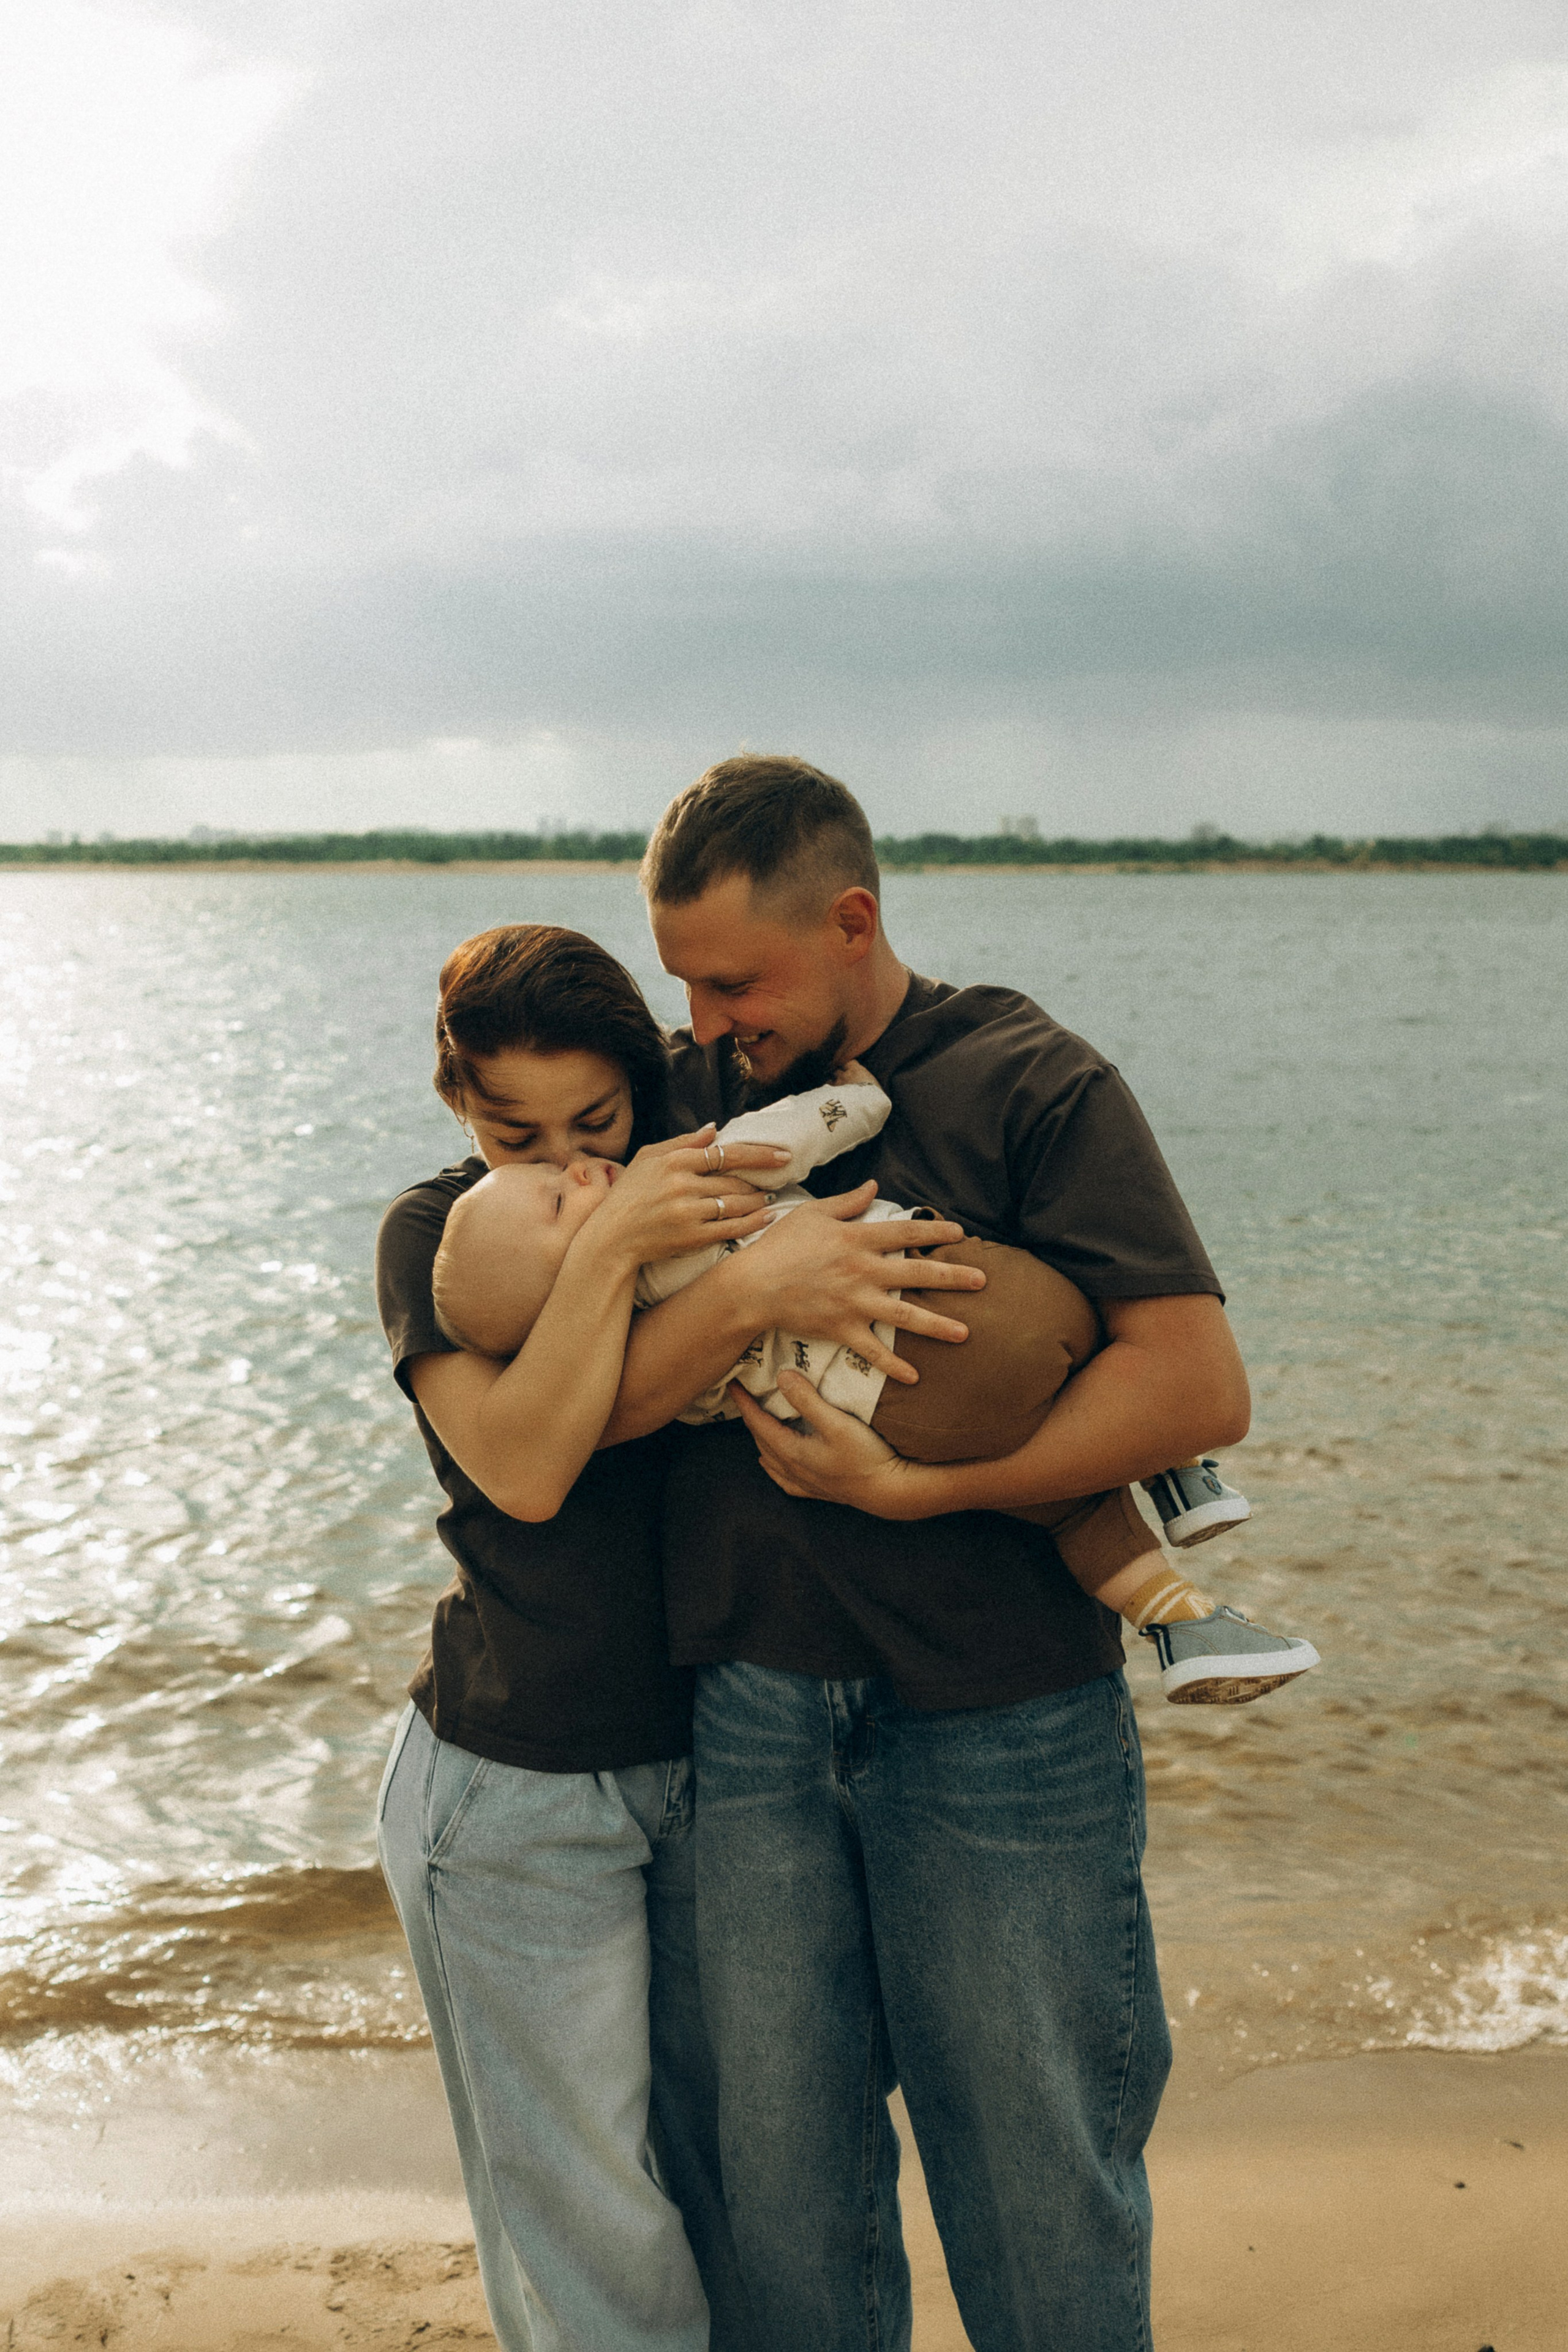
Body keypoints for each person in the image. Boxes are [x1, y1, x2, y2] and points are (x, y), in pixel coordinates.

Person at [643, 753, 1271, 2352]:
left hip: (1003, 1721)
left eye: (737, 981)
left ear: (851, 921)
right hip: (752, 1717)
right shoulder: (675, 1095)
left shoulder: (1029, 1078)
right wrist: (737, 1295)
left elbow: (1193, 1386)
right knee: (786, 2230)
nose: (710, 1025)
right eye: (685, 984)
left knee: (1041, 2206)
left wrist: (922, 1494)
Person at [372, 920, 983, 2352]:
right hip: (514, 1781)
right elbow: (525, 1463)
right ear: (454, 1099)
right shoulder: (448, 1239)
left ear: (643, 1085)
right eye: (508, 1130)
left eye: (594, 1121)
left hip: (719, 1761)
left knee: (746, 2183)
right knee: (587, 2221)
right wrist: (639, 1249)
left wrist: (716, 1259)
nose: (557, 1159)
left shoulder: (693, 1173)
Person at [431, 1061, 1317, 1705]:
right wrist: (856, 1098)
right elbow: (778, 1144)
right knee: (1081, 1320)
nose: (577, 1168)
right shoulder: (677, 1195)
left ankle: (1182, 1621)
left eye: (567, 1159)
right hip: (952, 1311)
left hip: (897, 1419)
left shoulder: (625, 1350)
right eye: (556, 1197)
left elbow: (668, 1406)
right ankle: (1180, 1471)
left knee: (1069, 1511)